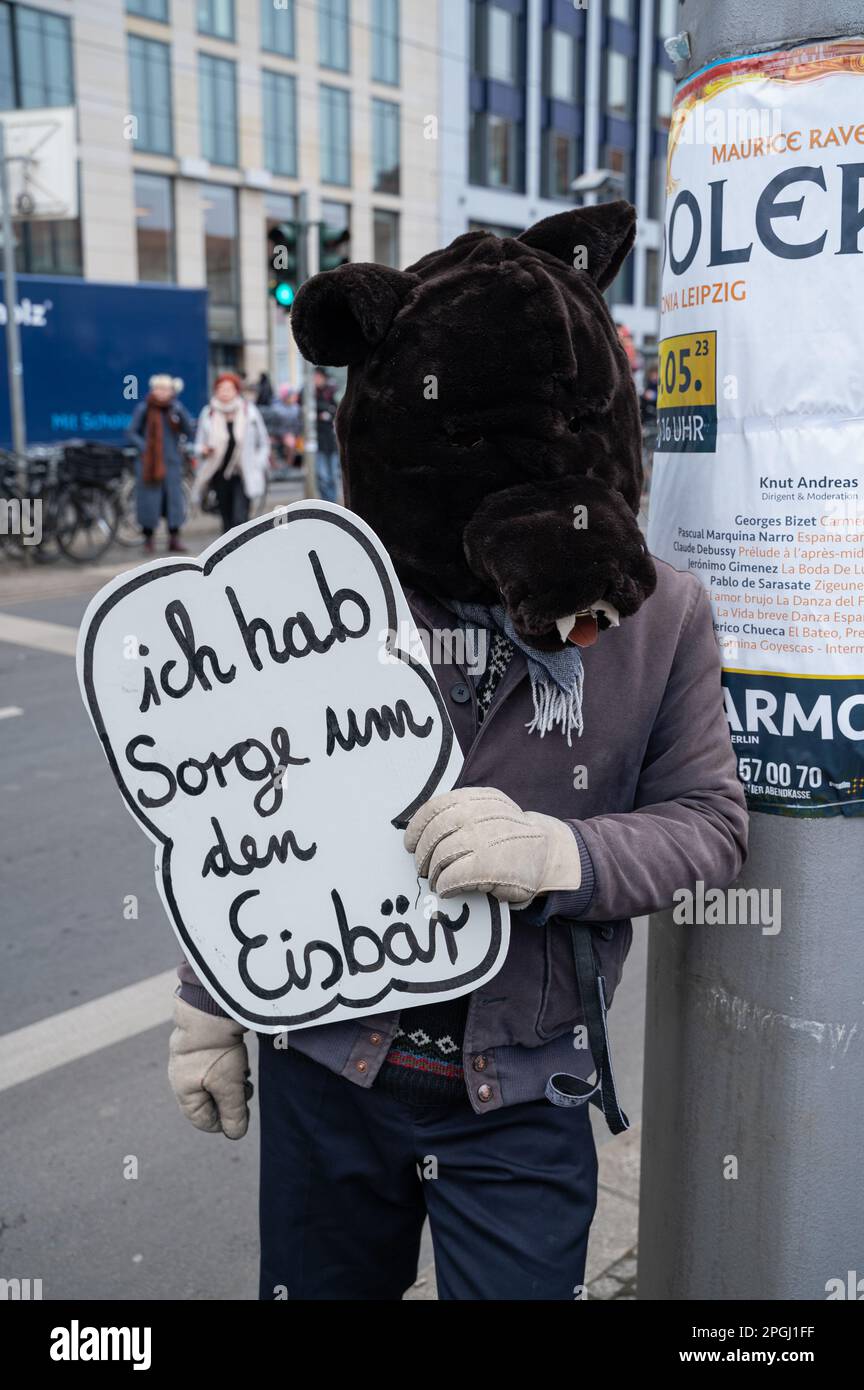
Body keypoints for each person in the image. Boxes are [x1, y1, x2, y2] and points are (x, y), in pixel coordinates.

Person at [167, 204, 748, 1301]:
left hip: (522, 1095)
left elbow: (710, 822)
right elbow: (248, 802)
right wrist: (209, 998)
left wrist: (564, 856)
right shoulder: (328, 595)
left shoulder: (662, 615)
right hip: (328, 1065)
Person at [192, 371, 270, 533]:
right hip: (218, 473)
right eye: (221, 388)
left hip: (243, 473)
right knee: (226, 519)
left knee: (240, 519)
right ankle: (228, 554)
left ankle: (243, 552)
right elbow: (198, 445)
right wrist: (204, 450)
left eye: (229, 388)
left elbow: (263, 442)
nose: (225, 392)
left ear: (236, 390)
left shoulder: (250, 412)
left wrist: (259, 463)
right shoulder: (208, 413)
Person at [126, 374, 194, 555]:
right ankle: (148, 540)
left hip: (171, 465)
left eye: (165, 389)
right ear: (152, 390)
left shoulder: (175, 409)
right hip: (149, 465)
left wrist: (179, 412)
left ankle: (174, 539)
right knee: (149, 503)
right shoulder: (144, 409)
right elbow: (131, 432)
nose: (161, 392)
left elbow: (189, 430)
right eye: (158, 388)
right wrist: (145, 447)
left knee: (173, 503)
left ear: (171, 391)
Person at [312, 367, 341, 502]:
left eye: (318, 377)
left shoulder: (331, 393)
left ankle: (332, 504)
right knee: (323, 476)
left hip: (331, 442)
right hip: (318, 442)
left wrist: (327, 412)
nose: (316, 380)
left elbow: (334, 411)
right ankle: (327, 503)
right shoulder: (311, 394)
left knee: (333, 476)